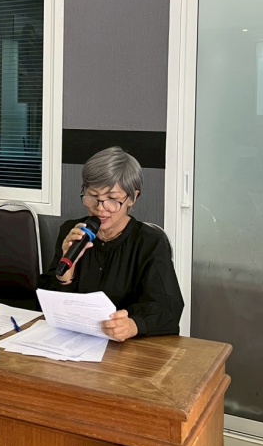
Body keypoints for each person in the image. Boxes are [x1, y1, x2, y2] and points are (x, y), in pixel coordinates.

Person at [38, 146, 184, 341]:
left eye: (112, 199)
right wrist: (66, 272)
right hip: (76, 340)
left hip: (130, 346)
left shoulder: (150, 242)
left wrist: (133, 325)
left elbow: (168, 307)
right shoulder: (72, 232)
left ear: (133, 198)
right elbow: (47, 302)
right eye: (93, 196)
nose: (100, 208)